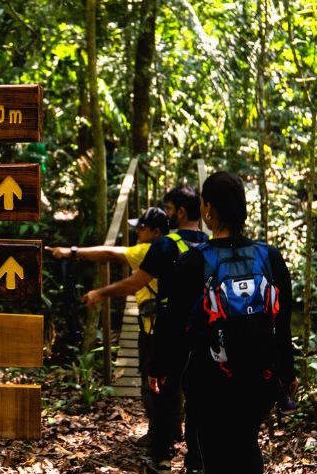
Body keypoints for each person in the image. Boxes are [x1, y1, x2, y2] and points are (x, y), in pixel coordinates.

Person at [148, 172, 296, 473]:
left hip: (211, 382)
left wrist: (159, 368)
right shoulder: (269, 256)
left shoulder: (194, 261)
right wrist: (287, 371)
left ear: (208, 209)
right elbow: (283, 321)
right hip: (260, 379)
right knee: (245, 442)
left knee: (215, 454)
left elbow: (172, 325)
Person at [82, 186, 208, 473]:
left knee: (162, 389)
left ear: (182, 212)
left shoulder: (166, 245)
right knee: (198, 394)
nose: (167, 214)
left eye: (170, 209)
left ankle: (162, 457)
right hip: (204, 332)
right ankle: (197, 459)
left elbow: (134, 283)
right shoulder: (211, 243)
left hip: (169, 330)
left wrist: (101, 293)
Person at [49, 208, 169, 418]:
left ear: (156, 232)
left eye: (141, 228)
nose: (137, 232)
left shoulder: (147, 251)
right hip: (176, 322)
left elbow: (110, 253)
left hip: (154, 328)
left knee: (151, 379)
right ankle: (173, 430)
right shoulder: (176, 247)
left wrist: (73, 252)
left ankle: (157, 436)